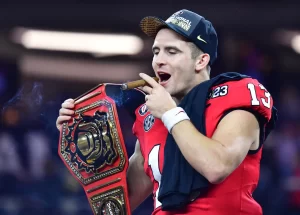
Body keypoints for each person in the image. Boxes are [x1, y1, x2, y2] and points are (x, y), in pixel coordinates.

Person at [56, 9, 277, 215]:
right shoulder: (149, 116)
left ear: (201, 60)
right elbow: (118, 204)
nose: (159, 60)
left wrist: (170, 114)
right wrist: (84, 140)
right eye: (156, 51)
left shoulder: (236, 95)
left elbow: (216, 167)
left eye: (172, 51)